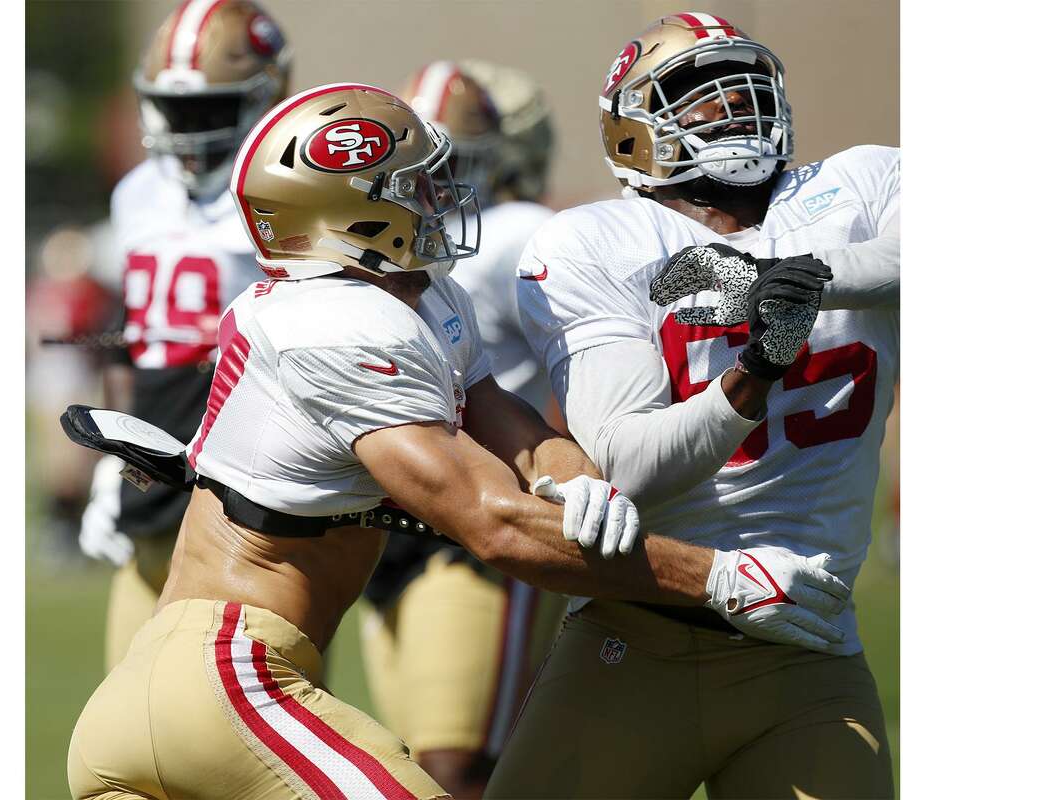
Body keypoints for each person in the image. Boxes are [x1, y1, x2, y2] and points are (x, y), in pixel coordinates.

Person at [66, 82, 850, 800]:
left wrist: (578, 479)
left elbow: (496, 413)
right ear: (349, 212)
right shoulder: (343, 324)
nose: (442, 199)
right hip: (228, 679)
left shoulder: (410, 298)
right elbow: (496, 525)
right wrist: (717, 577)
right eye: (415, 187)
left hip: (184, 676)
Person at [487, 12, 899, 799]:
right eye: (695, 90)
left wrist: (776, 274)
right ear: (634, 130)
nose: (731, 101)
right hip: (639, 640)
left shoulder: (861, 185)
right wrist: (756, 370)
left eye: (739, 80)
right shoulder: (594, 241)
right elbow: (629, 465)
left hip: (811, 641)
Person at [355, 62, 562, 799]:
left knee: (457, 768)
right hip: (385, 523)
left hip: (478, 517)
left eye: (456, 168)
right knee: (412, 771)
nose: (438, 191)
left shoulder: (513, 233)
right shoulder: (373, 247)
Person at [77, 0, 292, 671]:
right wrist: (113, 455)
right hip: (155, 461)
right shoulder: (139, 192)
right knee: (121, 733)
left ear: (265, 97)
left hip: (245, 478)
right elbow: (137, 341)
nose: (188, 132)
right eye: (175, 110)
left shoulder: (287, 194)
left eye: (210, 111)